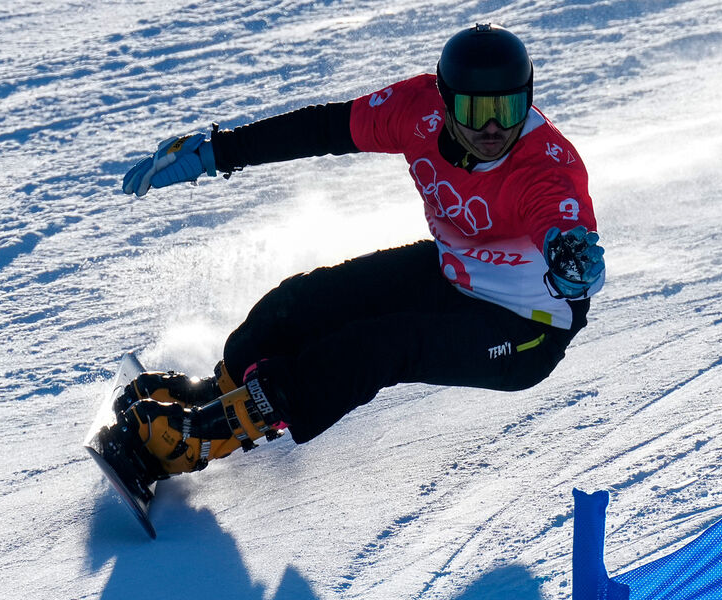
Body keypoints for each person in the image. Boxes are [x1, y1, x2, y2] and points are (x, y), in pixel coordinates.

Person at [111, 23, 604, 485]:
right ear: (446, 101)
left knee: (376, 348)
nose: (494, 128)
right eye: (476, 111)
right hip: (456, 275)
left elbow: (563, 226)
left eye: (511, 109)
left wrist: (572, 262)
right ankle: (219, 391)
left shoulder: (545, 166)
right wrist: (216, 153)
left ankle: (205, 437)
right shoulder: (417, 111)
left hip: (526, 327)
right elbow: (323, 129)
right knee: (303, 303)